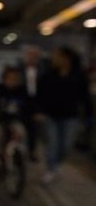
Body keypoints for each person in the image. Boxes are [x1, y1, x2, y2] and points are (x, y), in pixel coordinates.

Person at [37, 46, 93, 184]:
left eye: (57, 56)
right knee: (53, 143)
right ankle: (50, 169)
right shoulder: (48, 75)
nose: (54, 59)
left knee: (66, 146)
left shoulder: (79, 75)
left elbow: (85, 97)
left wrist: (88, 115)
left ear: (66, 58)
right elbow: (40, 95)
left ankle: (55, 164)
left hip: (70, 117)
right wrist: (39, 111)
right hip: (51, 116)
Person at [0, 66, 30, 168]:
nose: (13, 81)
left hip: (15, 121)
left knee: (22, 134)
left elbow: (29, 106)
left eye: (15, 79)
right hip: (0, 121)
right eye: (10, 78)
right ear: (4, 79)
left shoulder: (22, 91)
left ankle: (20, 159)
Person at [17, 46, 45, 161]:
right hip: (21, 103)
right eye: (30, 55)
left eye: (35, 55)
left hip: (35, 104)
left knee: (33, 130)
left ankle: (31, 151)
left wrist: (41, 110)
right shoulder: (19, 69)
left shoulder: (43, 70)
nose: (32, 58)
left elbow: (45, 91)